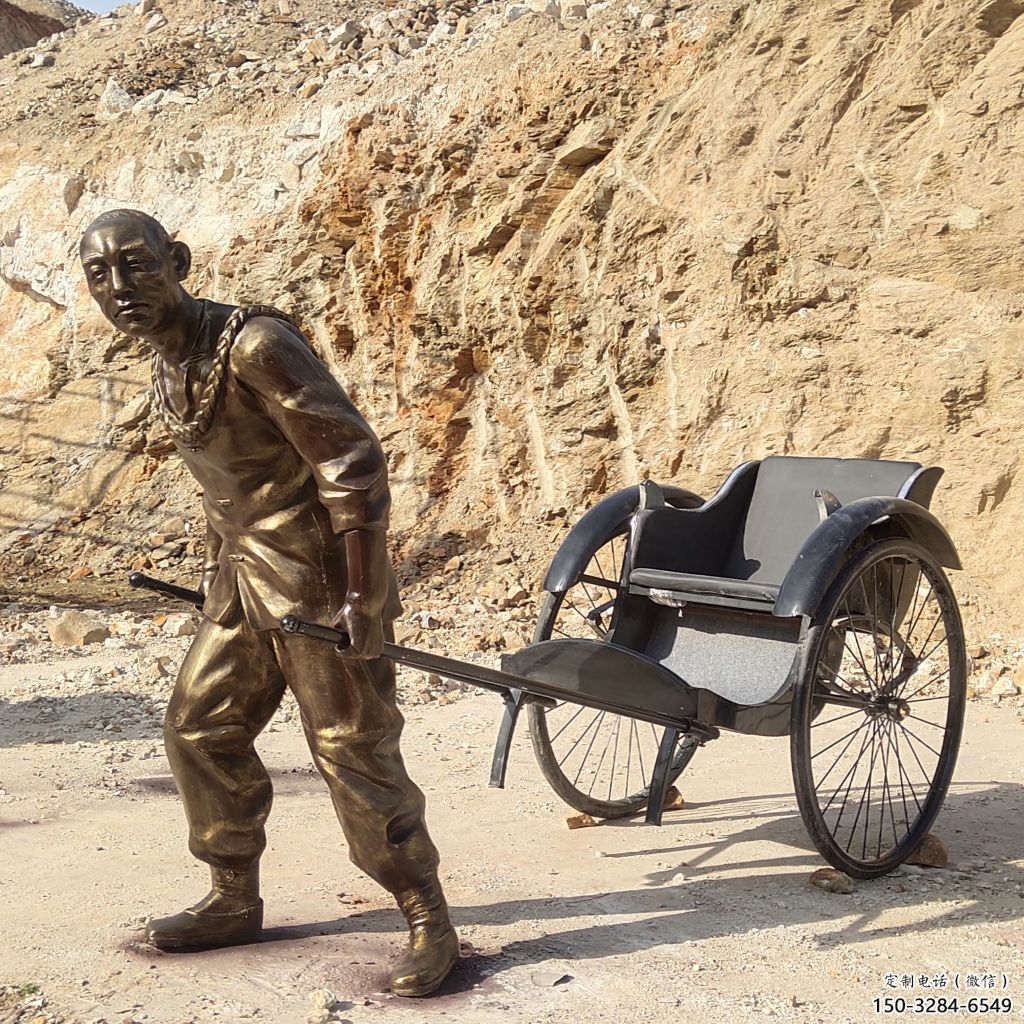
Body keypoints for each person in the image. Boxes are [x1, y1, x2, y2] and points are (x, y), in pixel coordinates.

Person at [79, 209, 459, 997]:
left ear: (178, 262)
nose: (120, 287)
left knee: (351, 746)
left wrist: (363, 596)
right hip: (243, 579)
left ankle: (427, 914)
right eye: (100, 274)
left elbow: (352, 463)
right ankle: (232, 895)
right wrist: (214, 570)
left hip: (317, 578)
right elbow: (229, 485)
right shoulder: (168, 360)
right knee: (198, 726)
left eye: (137, 265)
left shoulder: (253, 345)